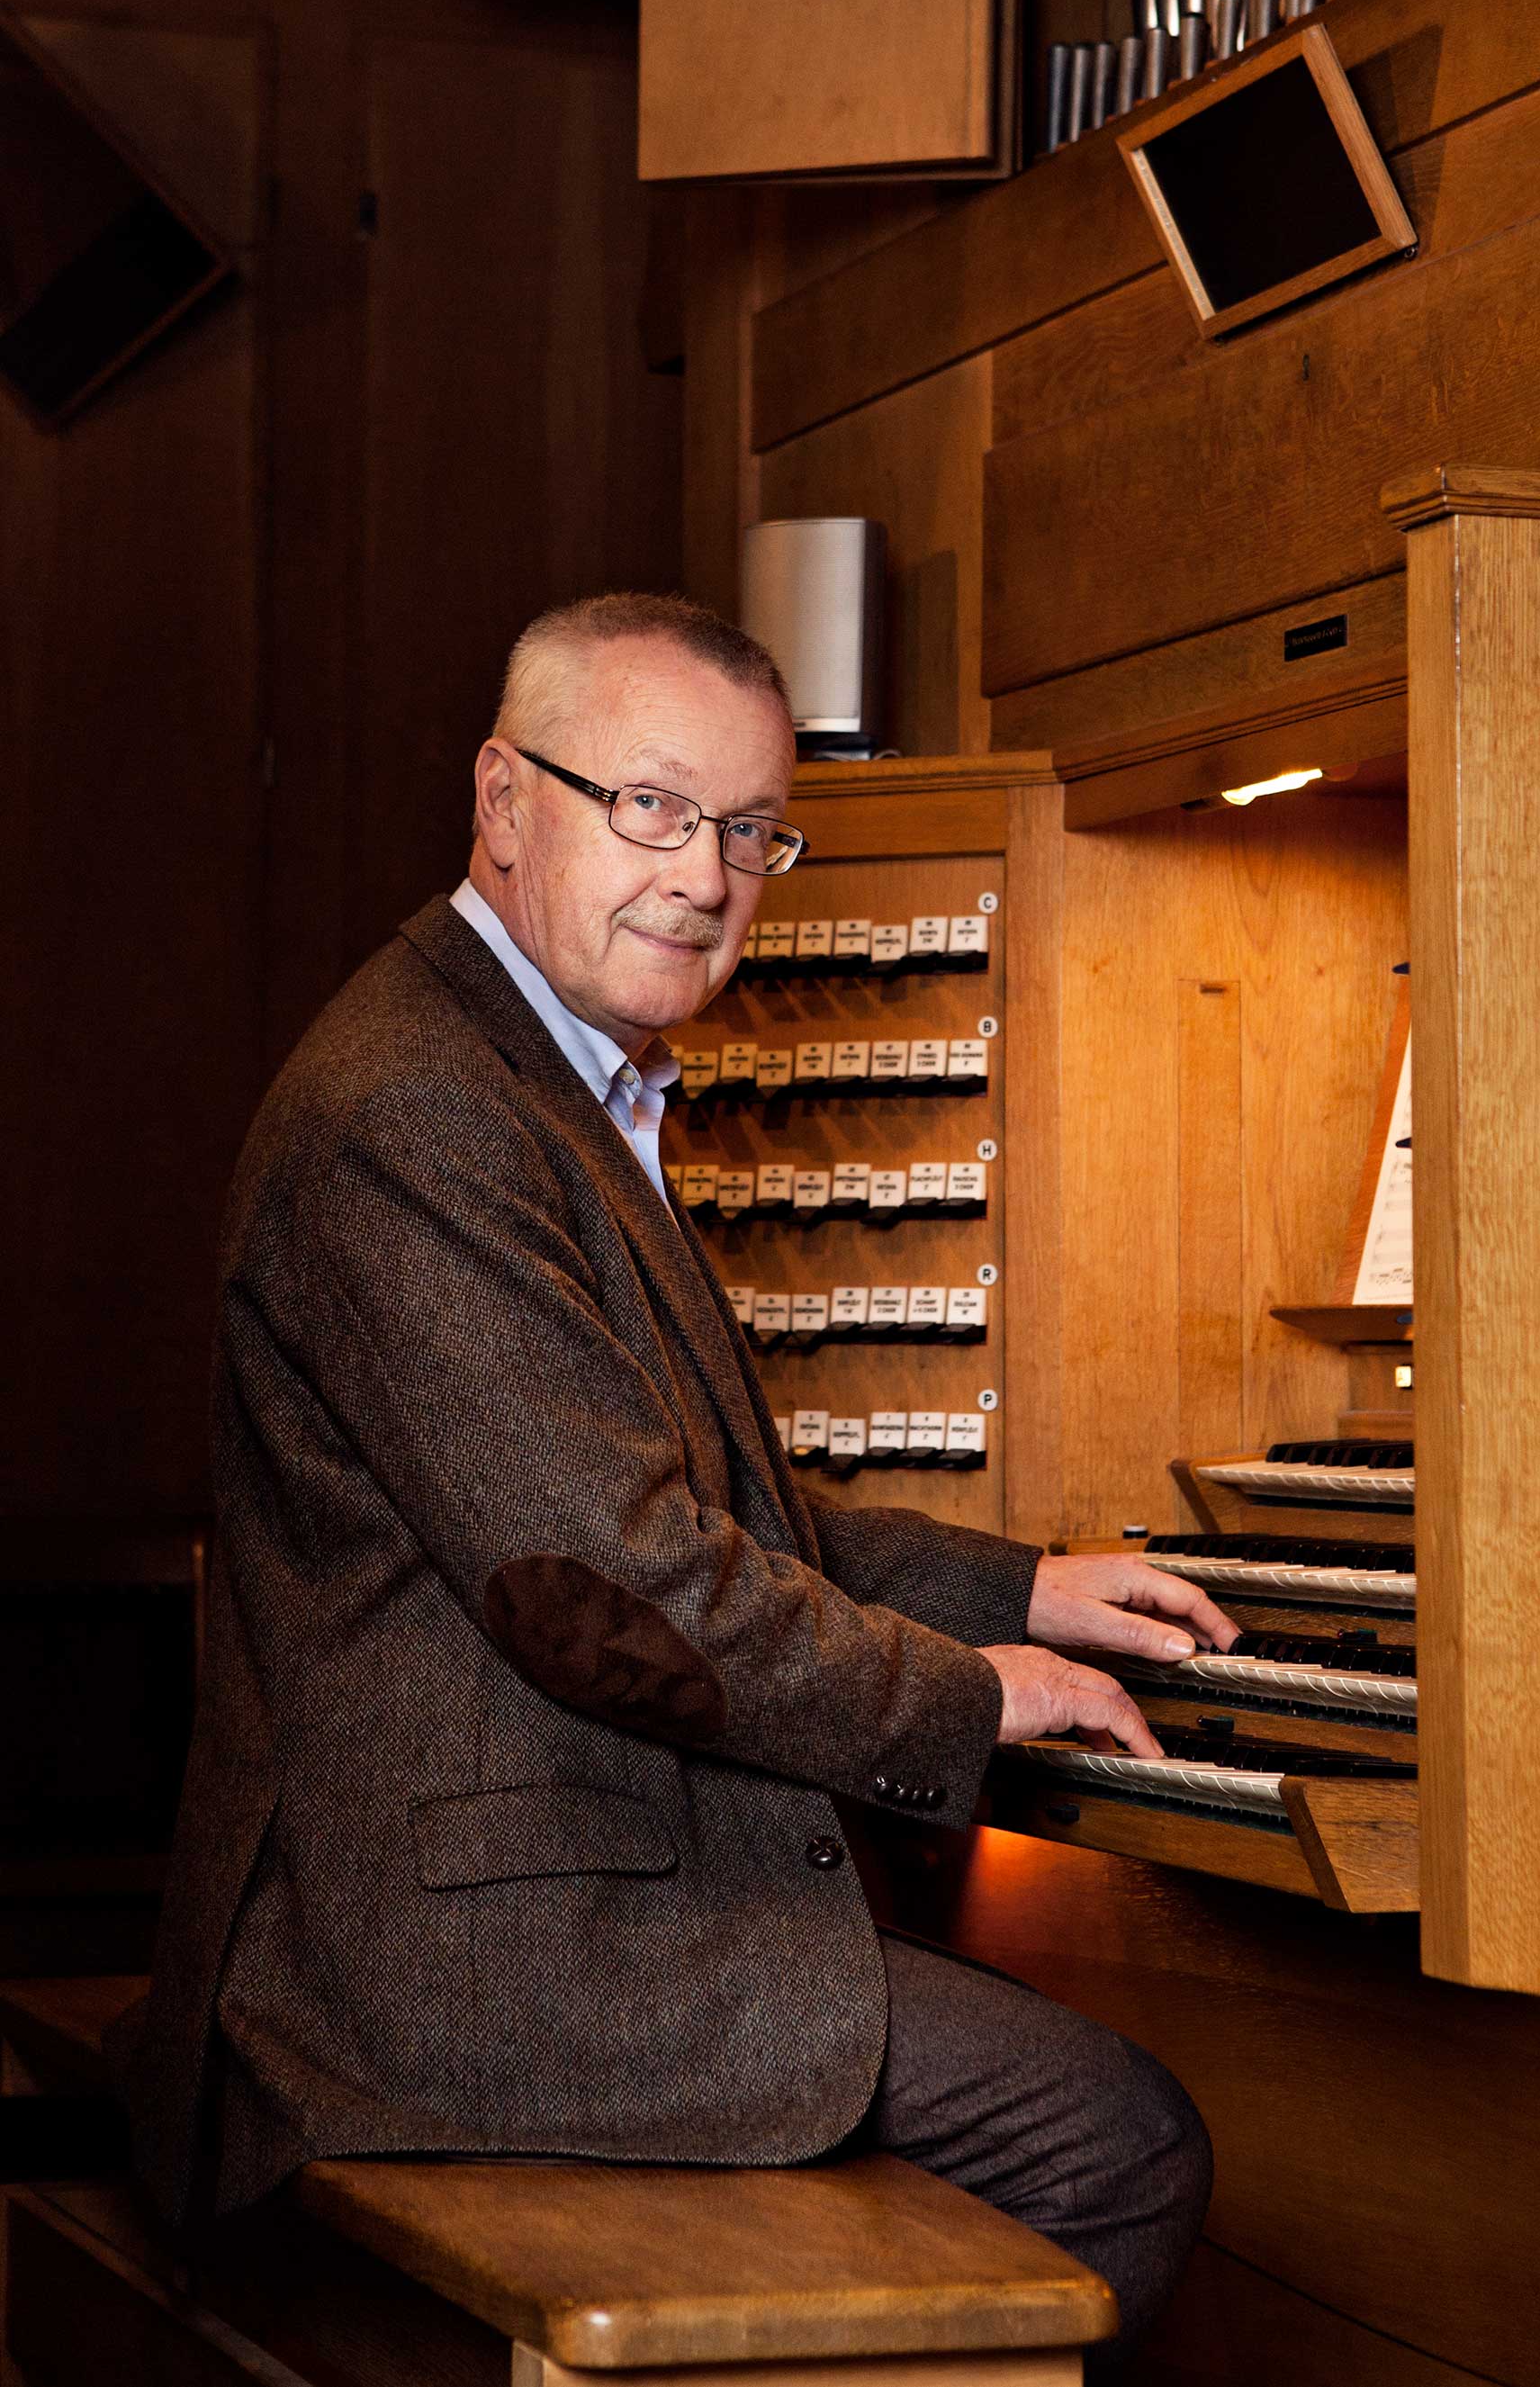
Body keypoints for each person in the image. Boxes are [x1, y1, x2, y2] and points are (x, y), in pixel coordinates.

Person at [120, 593, 1236, 2355]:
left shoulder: (546, 1079)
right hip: (455, 1962)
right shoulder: (416, 1112)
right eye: (647, 806)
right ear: (504, 799)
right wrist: (963, 1694)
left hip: (554, 1888)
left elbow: (716, 1520)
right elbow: (609, 1586)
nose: (705, 874)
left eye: (746, 830)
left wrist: (1015, 1590)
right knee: (1106, 2139)